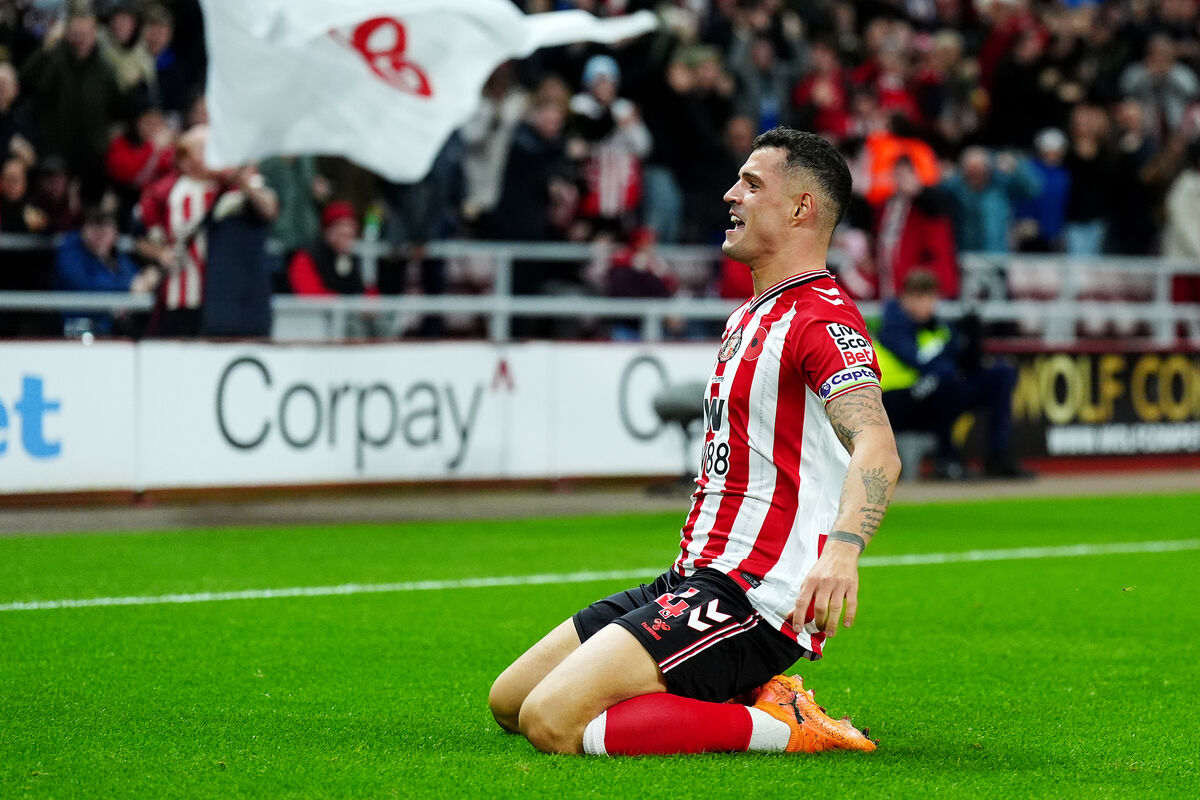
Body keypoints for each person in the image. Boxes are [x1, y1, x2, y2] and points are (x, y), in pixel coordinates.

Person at [489, 127, 900, 757]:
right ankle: (740, 693)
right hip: (692, 578)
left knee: (553, 722)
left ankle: (786, 728)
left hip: (755, 594)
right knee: (510, 701)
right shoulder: (750, 314)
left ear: (801, 209)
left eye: (752, 184)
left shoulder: (820, 318)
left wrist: (843, 551)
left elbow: (877, 445)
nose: (730, 195)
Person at [875, 269, 1032, 480]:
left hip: (936, 395)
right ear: (905, 299)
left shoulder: (940, 327)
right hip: (896, 402)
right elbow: (921, 361)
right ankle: (946, 459)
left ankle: (998, 457)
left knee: (1000, 375)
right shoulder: (892, 328)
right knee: (944, 379)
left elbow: (966, 365)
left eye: (931, 297)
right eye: (919, 297)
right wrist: (951, 353)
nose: (926, 304)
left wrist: (971, 338)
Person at [53, 207, 157, 335]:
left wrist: (146, 279)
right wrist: (129, 290)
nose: (100, 234)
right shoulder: (71, 250)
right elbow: (84, 287)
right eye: (94, 225)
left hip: (112, 330)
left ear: (116, 232)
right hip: (78, 329)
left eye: (106, 226)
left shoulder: (117, 257)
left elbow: (136, 279)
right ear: (83, 229)